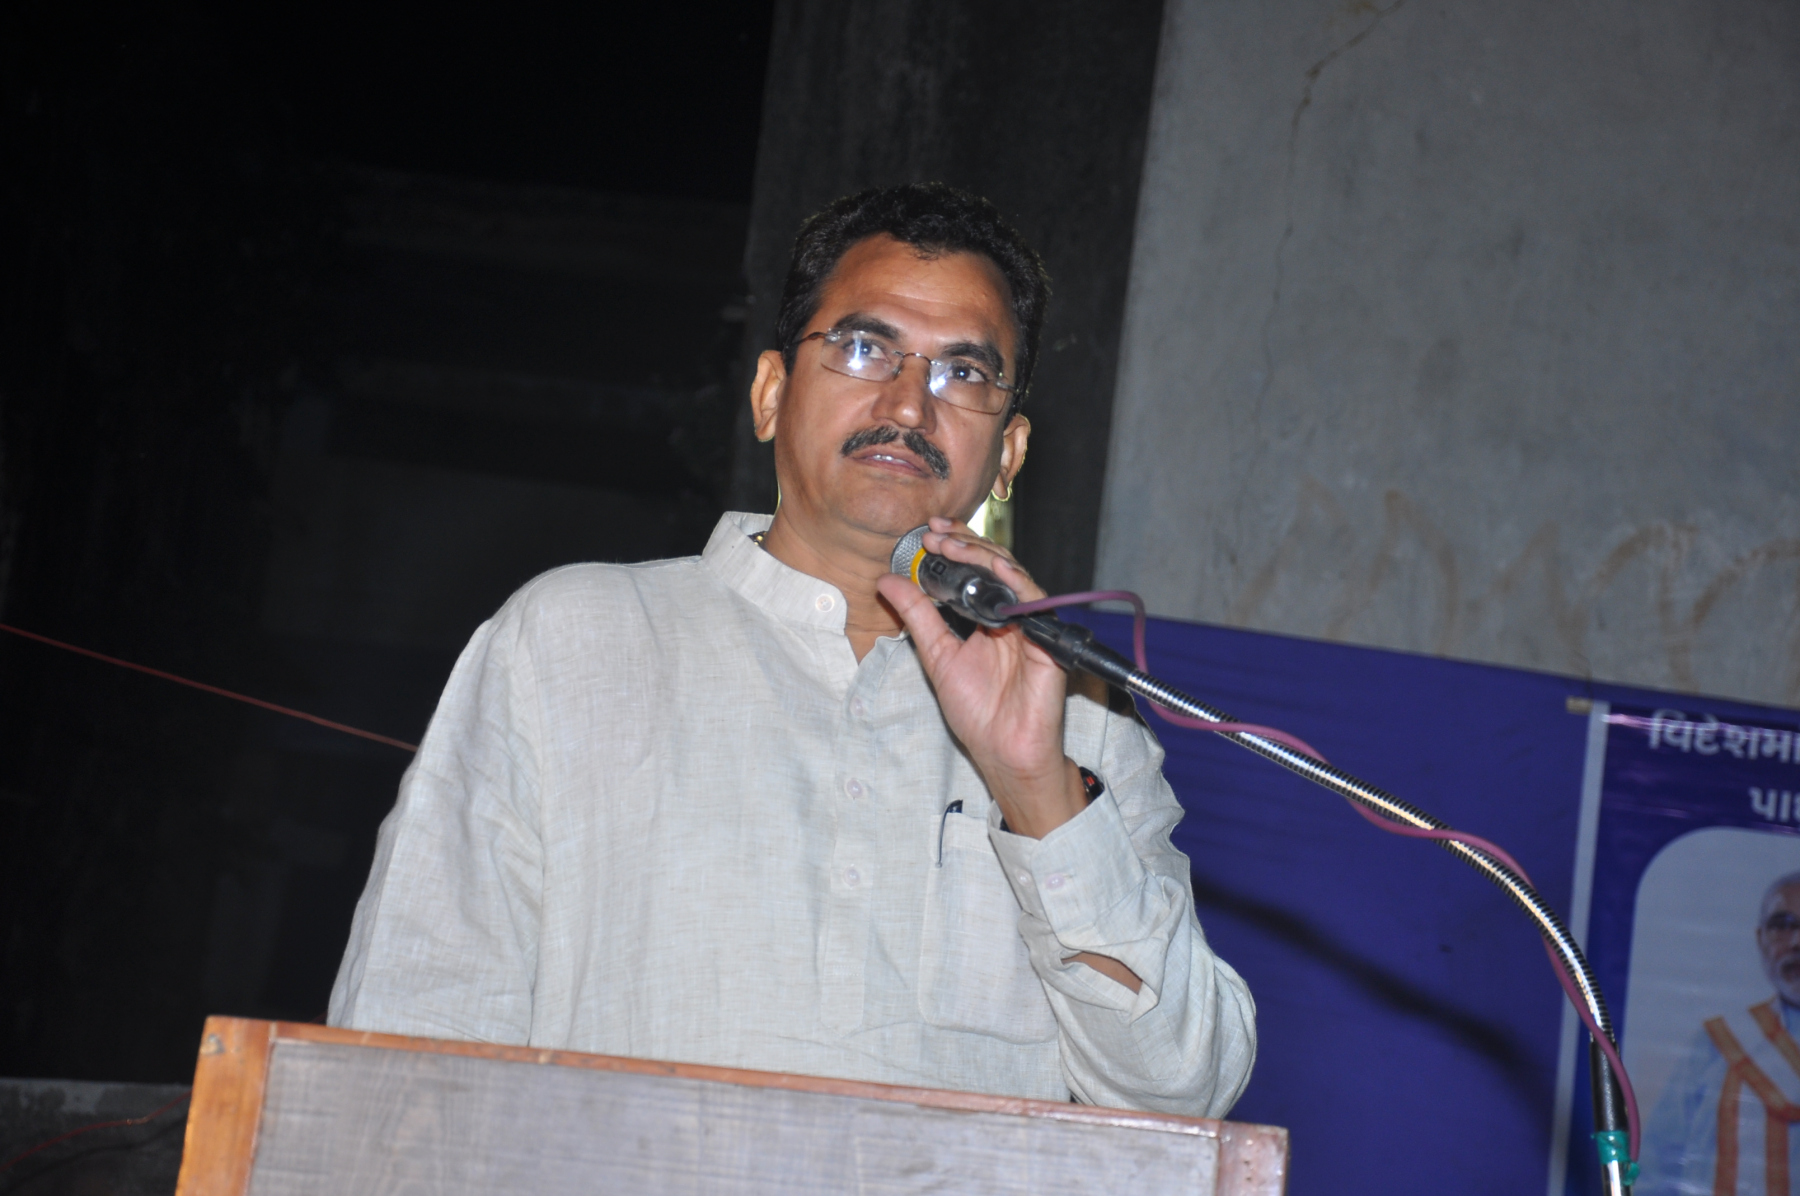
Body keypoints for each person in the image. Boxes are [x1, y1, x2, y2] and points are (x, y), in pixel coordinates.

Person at [328, 182, 1256, 1116]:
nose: (910, 404)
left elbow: (1181, 1098)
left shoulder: (1077, 718)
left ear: (1009, 452)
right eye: (864, 348)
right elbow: (412, 1028)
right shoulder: (576, 637)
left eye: (963, 372)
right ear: (771, 393)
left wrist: (1038, 794)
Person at [1641, 871, 1800, 1194]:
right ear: (1761, 940)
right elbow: (1658, 1169)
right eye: (1783, 925)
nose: (1797, 942)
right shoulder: (1719, 1044)